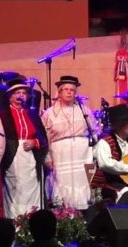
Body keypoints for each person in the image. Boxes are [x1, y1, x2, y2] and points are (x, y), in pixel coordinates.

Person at [41, 75, 98, 210]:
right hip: (60, 153)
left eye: (72, 90)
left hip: (82, 153)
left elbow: (94, 131)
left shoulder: (84, 110)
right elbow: (44, 138)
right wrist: (47, 157)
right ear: (59, 92)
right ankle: (63, 212)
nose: (69, 92)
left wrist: (94, 151)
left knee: (82, 181)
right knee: (62, 182)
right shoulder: (49, 113)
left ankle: (83, 210)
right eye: (65, 89)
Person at [0, 77, 49, 219]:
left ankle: (32, 221)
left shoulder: (32, 114)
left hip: (31, 157)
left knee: (32, 188)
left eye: (24, 93)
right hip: (12, 155)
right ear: (10, 97)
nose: (21, 95)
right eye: (17, 93)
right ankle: (15, 222)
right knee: (15, 188)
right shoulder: (2, 116)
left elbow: (43, 138)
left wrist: (35, 142)